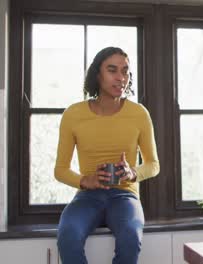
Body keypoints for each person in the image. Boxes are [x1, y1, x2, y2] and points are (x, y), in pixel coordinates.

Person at [55, 47, 160, 263]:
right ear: (97, 74)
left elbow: (153, 164)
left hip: (125, 195)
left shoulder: (139, 113)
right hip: (87, 196)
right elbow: (60, 170)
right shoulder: (73, 114)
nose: (121, 78)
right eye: (112, 70)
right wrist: (85, 180)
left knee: (131, 237)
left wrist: (133, 173)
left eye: (125, 71)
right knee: (68, 236)